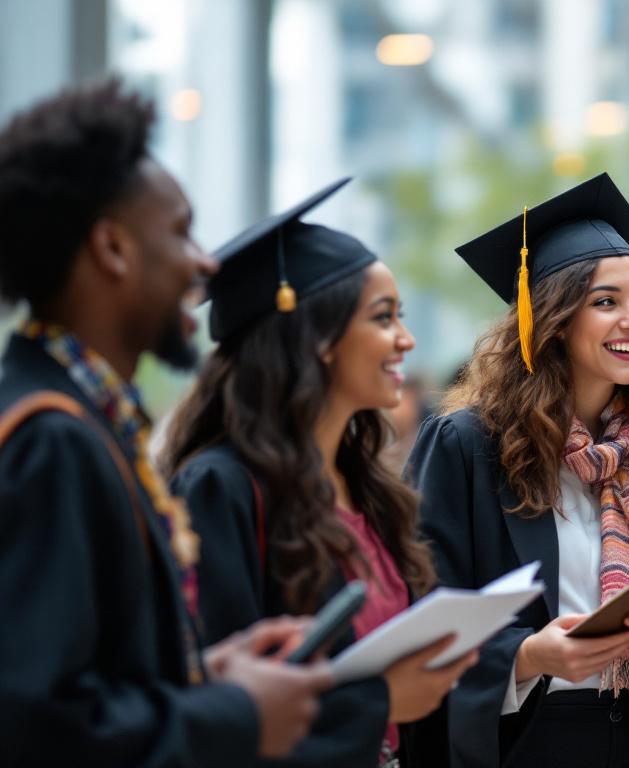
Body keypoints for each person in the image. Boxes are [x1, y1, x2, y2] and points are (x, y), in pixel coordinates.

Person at [0, 78, 331, 765]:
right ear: (112, 249)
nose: (203, 261)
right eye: (181, 231)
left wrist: (205, 673)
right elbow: (38, 727)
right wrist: (233, 715)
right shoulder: (49, 438)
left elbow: (88, 678)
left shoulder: (84, 422)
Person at [405, 173, 629, 768]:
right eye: (606, 302)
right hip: (521, 742)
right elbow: (424, 616)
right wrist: (528, 658)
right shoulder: (469, 447)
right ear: (551, 318)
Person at [163, 179, 478, 767]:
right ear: (317, 340)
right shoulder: (221, 488)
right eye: (383, 318)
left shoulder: (372, 490)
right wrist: (378, 703)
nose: (405, 341)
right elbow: (219, 708)